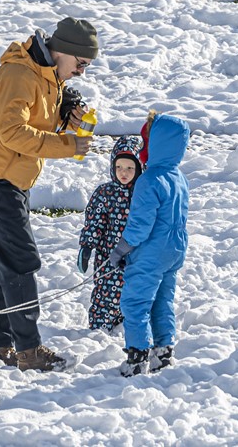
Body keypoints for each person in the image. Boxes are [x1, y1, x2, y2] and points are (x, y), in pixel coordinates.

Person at [0, 17, 99, 371]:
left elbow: (36, 122)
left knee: (4, 261)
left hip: (9, 178)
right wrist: (69, 144)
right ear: (63, 52)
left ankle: (0, 344)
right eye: (81, 63)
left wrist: (67, 114)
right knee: (21, 261)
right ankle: (29, 350)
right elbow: (14, 134)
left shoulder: (46, 74)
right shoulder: (20, 76)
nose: (82, 71)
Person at [107, 113, 190, 376]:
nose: (142, 149)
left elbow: (140, 226)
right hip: (174, 251)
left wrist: (121, 249)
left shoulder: (149, 180)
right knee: (162, 301)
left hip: (150, 254)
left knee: (135, 303)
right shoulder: (178, 177)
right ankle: (163, 352)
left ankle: (136, 356)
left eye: (145, 143)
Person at [78, 135, 143, 332]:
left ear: (139, 167)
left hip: (138, 256)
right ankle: (100, 328)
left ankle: (129, 327)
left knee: (136, 294)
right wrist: (87, 246)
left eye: (130, 168)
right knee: (106, 294)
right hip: (109, 256)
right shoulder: (105, 193)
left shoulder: (144, 192)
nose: (124, 173)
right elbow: (95, 221)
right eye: (119, 167)